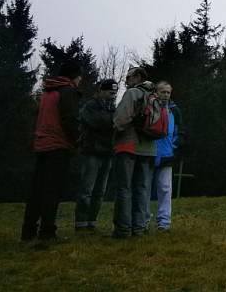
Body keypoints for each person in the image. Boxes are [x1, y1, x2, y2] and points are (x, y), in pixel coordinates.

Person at [20, 61, 83, 242]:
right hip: (58, 145)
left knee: (37, 190)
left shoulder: (48, 92)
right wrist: (77, 140)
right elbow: (69, 119)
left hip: (41, 144)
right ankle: (48, 232)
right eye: (79, 76)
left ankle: (28, 231)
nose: (81, 80)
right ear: (74, 76)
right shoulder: (68, 92)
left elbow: (36, 118)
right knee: (52, 191)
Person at [111, 66, 158, 238]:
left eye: (129, 77)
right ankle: (139, 228)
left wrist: (115, 129)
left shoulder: (132, 94)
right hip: (149, 149)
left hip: (128, 146)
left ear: (137, 77)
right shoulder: (156, 96)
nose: (126, 80)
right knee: (141, 189)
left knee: (124, 188)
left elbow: (121, 119)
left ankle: (123, 229)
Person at [74, 78, 117, 231]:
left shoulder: (112, 107)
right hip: (91, 151)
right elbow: (98, 122)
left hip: (107, 152)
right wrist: (113, 121)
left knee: (100, 191)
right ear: (101, 90)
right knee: (87, 189)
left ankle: (92, 221)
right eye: (110, 92)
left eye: (115, 92)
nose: (113, 95)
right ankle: (81, 222)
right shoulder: (90, 106)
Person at [152, 81, 183, 231]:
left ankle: (164, 222)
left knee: (165, 188)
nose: (165, 95)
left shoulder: (175, 111)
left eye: (168, 92)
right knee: (144, 189)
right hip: (149, 153)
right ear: (156, 92)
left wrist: (174, 145)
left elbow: (181, 132)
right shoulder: (150, 107)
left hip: (167, 155)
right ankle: (142, 220)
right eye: (162, 92)